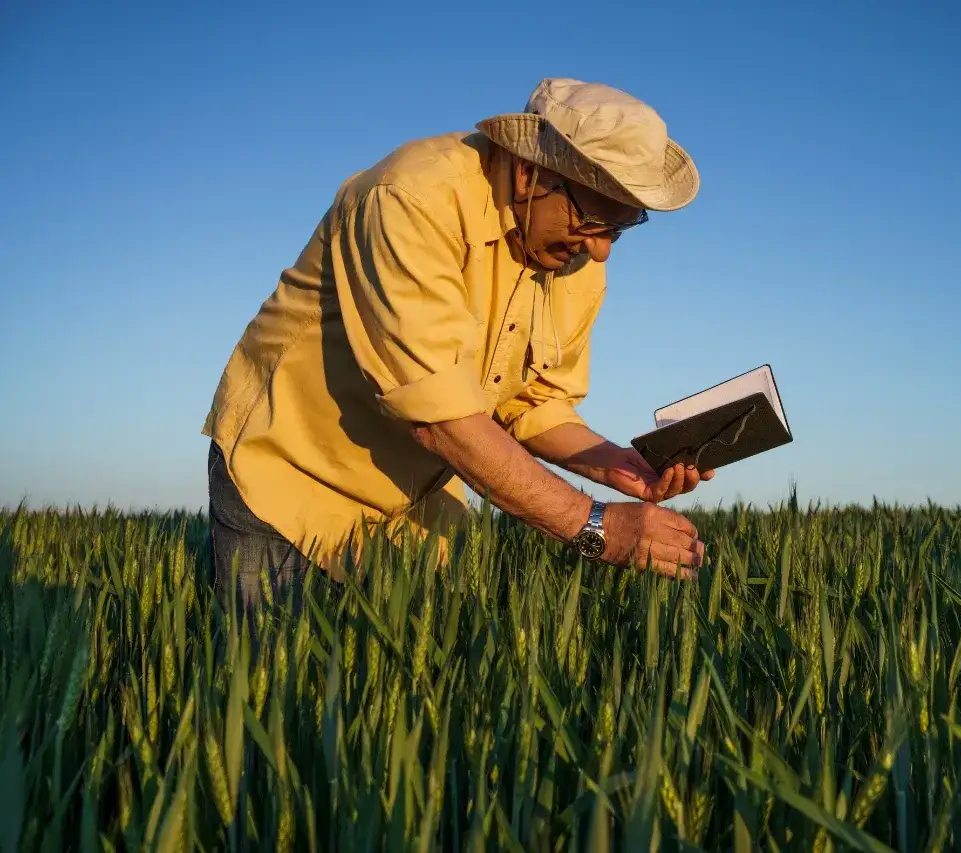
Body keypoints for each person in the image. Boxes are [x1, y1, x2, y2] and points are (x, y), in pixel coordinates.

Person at [203, 77, 713, 610]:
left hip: (417, 510)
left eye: (620, 229)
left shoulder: (575, 257)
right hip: (291, 479)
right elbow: (440, 419)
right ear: (528, 172)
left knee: (406, 689)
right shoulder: (411, 198)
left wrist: (618, 464)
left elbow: (533, 403)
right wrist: (597, 527)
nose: (601, 252)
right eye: (592, 220)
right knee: (265, 680)